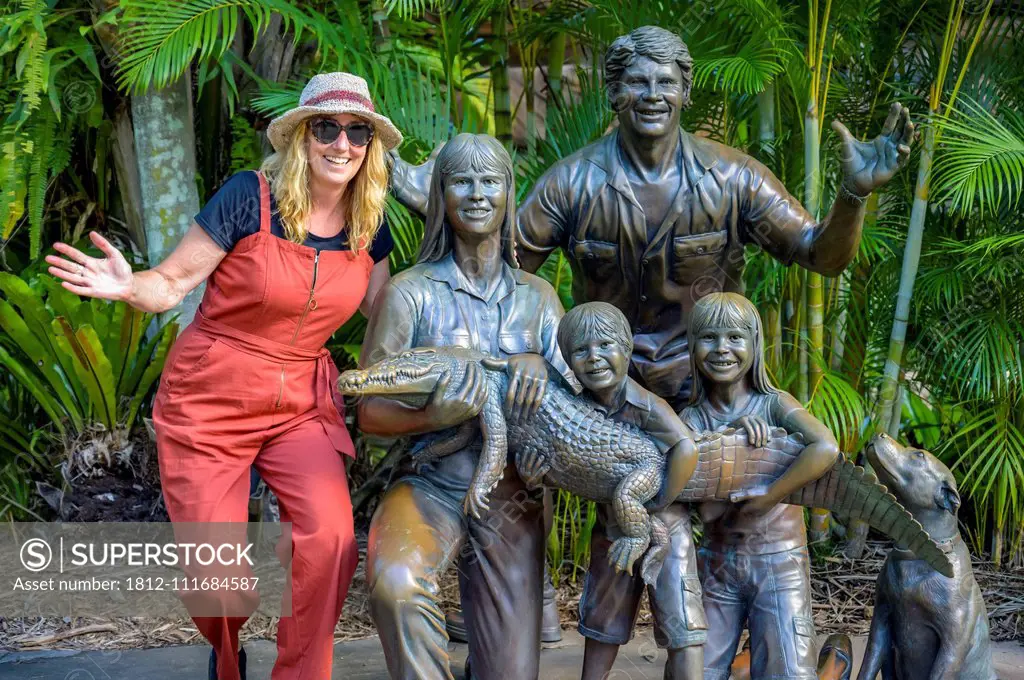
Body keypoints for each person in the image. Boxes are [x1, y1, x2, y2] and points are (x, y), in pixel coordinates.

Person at [389, 25, 912, 678]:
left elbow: (818, 254)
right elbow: (500, 252)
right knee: (615, 536)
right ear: (612, 90)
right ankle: (551, 645)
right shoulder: (572, 182)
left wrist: (853, 195)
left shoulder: (731, 175)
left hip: (716, 398)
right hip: (610, 404)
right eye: (637, 80)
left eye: (667, 81)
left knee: (753, 534)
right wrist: (432, 202)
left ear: (687, 90)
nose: (653, 94)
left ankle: (763, 659)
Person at [45, 72, 402, 680]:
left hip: (300, 402)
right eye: (326, 127)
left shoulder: (371, 224)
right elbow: (172, 282)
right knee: (216, 576)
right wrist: (127, 284)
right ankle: (227, 659)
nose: (341, 144)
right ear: (300, 137)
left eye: (357, 132)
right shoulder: (248, 198)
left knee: (332, 537)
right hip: (213, 393)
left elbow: (390, 312)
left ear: (370, 145)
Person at [358, 133, 576, 680]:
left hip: (512, 493)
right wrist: (435, 416)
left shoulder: (538, 298)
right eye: (461, 181)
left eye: (490, 181)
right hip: (430, 483)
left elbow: (577, 405)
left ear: (508, 194)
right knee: (398, 584)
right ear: (440, 196)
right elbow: (371, 418)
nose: (477, 195)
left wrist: (542, 369)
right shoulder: (409, 294)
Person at [679, 292, 840, 680]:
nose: (722, 349)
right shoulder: (690, 419)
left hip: (779, 561)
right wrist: (730, 444)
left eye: (735, 337)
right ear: (692, 345)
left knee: (788, 669)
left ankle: (833, 664)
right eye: (709, 338)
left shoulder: (774, 404)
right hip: (719, 562)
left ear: (755, 344)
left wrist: (769, 496)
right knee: (695, 669)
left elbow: (826, 447)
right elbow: (708, 511)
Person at [551, 302, 706, 678]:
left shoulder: (643, 404)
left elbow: (685, 448)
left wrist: (655, 501)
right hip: (612, 526)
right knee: (603, 618)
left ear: (626, 349)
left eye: (605, 346)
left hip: (664, 526)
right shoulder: (574, 406)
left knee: (681, 621)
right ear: (569, 361)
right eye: (581, 351)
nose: (594, 358)